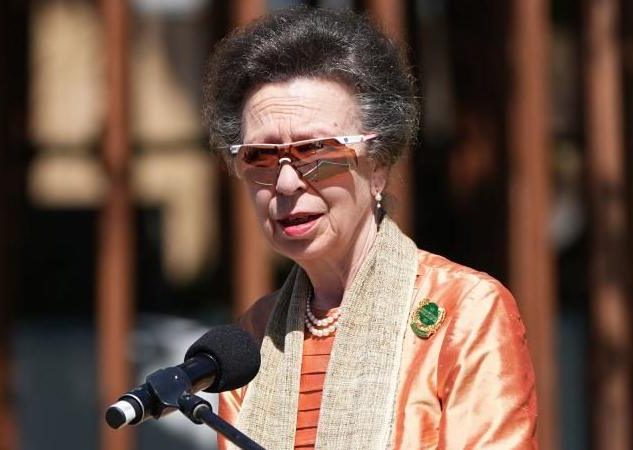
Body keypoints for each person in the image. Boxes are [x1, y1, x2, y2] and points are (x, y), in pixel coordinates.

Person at [202, 7, 537, 450]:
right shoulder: (252, 339)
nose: (285, 182)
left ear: (378, 165)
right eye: (259, 157)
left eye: (314, 151)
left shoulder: (464, 312)